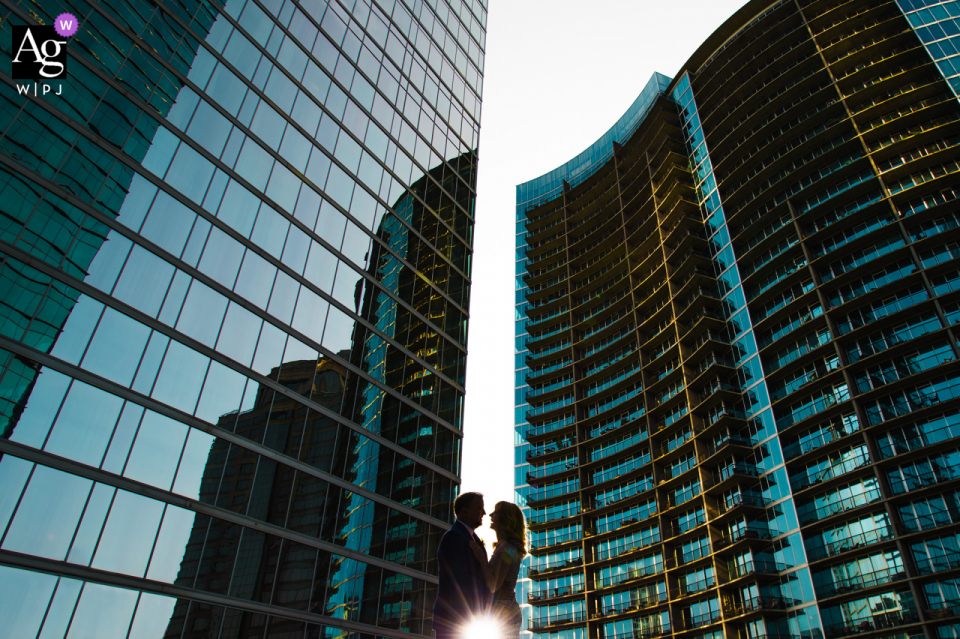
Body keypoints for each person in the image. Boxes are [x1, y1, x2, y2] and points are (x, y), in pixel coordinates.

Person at [433, 492, 491, 638]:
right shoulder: (453, 537)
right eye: (479, 508)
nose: (484, 512)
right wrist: (491, 589)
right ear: (465, 511)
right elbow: (459, 579)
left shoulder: (474, 540)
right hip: (454, 621)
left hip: (472, 621)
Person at [468, 501, 526, 639]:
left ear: (506, 519)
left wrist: (481, 559)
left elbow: (494, 585)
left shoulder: (508, 549)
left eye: (496, 512)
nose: (491, 515)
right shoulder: (504, 547)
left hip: (504, 613)